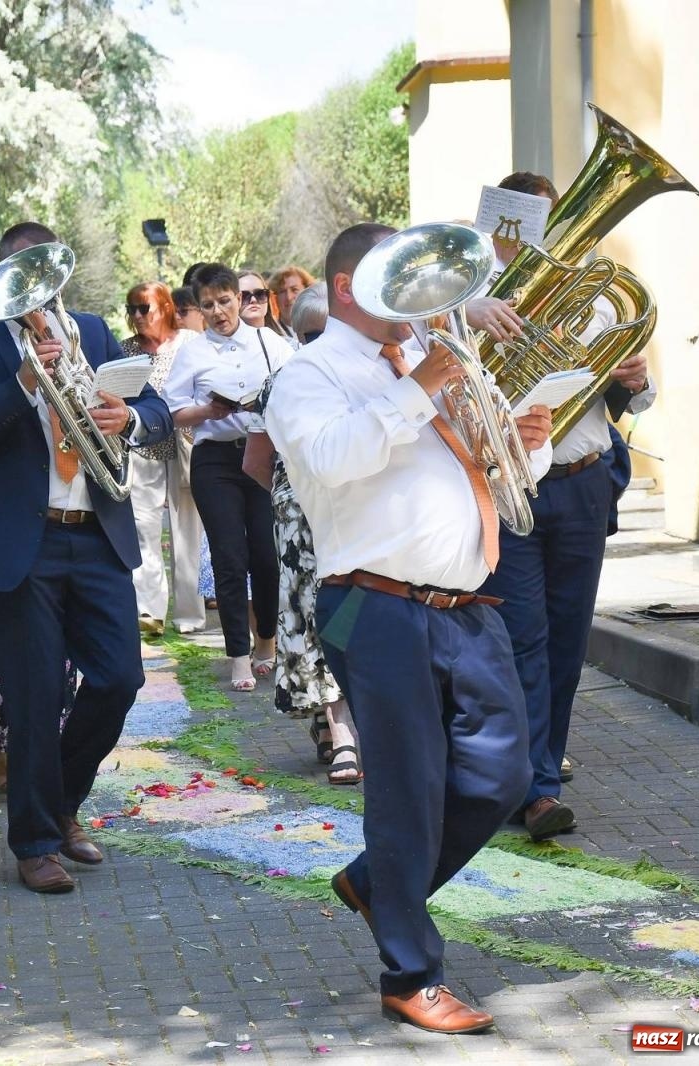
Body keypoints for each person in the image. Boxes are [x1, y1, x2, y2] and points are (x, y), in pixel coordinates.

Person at [266, 222, 553, 1034]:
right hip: (374, 602)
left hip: (465, 605)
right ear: (351, 288)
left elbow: (488, 473)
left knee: (502, 778)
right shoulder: (310, 373)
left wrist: (527, 445)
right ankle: (409, 975)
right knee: (408, 791)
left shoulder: (438, 357)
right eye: (404, 278)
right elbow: (330, 461)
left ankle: (375, 883)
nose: (428, 297)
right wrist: (419, 386)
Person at [0, 220, 173, 894]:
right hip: (23, 541)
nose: (37, 293)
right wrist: (21, 384)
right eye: (21, 274)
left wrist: (129, 420)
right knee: (35, 697)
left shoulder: (95, 334)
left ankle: (65, 800)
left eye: (45, 275)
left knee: (120, 679)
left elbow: (153, 407)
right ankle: (36, 842)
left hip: (95, 531)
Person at [478, 171, 657, 842]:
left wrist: (636, 381)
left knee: (567, 640)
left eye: (549, 221)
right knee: (524, 637)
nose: (533, 236)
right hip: (514, 484)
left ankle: (540, 765)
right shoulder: (475, 295)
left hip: (581, 481)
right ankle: (536, 789)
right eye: (519, 222)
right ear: (499, 223)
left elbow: (630, 393)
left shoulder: (598, 299)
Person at [239, 287, 361, 785]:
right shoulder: (279, 382)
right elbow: (253, 460)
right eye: (310, 335)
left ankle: (337, 721)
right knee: (315, 615)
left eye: (328, 334)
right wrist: (291, 493)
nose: (318, 344)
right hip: (302, 520)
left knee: (349, 613)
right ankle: (339, 728)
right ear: (295, 334)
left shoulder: (359, 376)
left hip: (356, 513)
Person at [165, 264, 295, 691]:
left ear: (238, 298)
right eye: (208, 305)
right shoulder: (193, 351)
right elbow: (174, 411)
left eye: (225, 300)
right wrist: (208, 411)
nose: (219, 311)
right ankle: (238, 655)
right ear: (198, 309)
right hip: (215, 459)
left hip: (263, 454)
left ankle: (267, 642)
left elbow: (297, 391)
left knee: (265, 554)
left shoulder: (269, 342)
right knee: (229, 556)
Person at [120, 282, 205, 637]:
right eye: (132, 309)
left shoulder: (189, 344)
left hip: (187, 442)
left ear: (167, 307)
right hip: (143, 445)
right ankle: (149, 611)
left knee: (188, 527)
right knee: (143, 526)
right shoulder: (125, 349)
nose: (138, 316)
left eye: (145, 308)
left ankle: (190, 613)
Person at [237, 267, 289, 338]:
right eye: (244, 296)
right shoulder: (222, 347)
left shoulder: (287, 344)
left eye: (259, 294)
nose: (253, 300)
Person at [270, 265, 316, 340]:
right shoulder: (271, 335)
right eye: (282, 292)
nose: (289, 297)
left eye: (294, 290)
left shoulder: (323, 328)